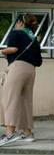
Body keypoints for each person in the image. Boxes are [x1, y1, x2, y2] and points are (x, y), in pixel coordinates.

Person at [0, 15, 42, 146]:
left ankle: (9, 133)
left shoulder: (16, 33)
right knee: (25, 101)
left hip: (17, 68)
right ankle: (28, 133)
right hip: (31, 70)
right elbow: (39, 61)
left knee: (10, 99)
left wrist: (2, 51)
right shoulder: (34, 39)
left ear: (20, 22)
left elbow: (13, 49)